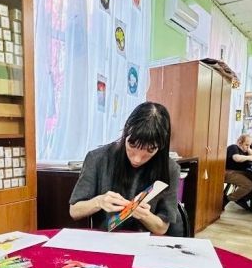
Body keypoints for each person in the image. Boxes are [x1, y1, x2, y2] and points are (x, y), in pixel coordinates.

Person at [69, 101, 180, 235]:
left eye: (150, 150)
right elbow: (74, 211)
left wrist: (145, 216)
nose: (137, 159)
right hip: (105, 241)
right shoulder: (98, 159)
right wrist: (99, 202)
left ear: (161, 146)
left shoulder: (170, 169)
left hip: (145, 243)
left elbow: (162, 228)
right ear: (126, 132)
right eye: (132, 145)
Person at [223, 134, 252, 211]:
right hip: (229, 172)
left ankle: (243, 198)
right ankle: (227, 199)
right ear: (240, 142)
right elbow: (236, 158)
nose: (248, 147)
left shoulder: (245, 151)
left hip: (241, 172)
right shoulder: (234, 147)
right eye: (246, 144)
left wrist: (248, 148)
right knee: (248, 185)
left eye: (249, 145)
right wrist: (251, 156)